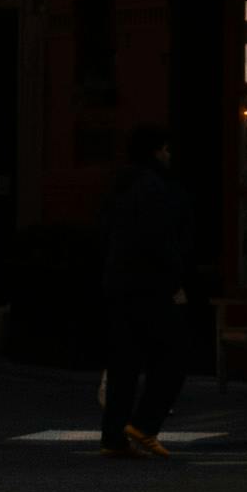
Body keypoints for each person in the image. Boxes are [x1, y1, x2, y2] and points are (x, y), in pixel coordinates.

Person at [95, 124, 196, 460]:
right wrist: (174, 284)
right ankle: (145, 425)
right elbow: (159, 241)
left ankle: (114, 436)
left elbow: (105, 232)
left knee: (124, 363)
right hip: (150, 287)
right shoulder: (155, 188)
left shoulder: (119, 184)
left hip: (118, 284)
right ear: (156, 151)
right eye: (165, 149)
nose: (169, 155)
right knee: (174, 356)